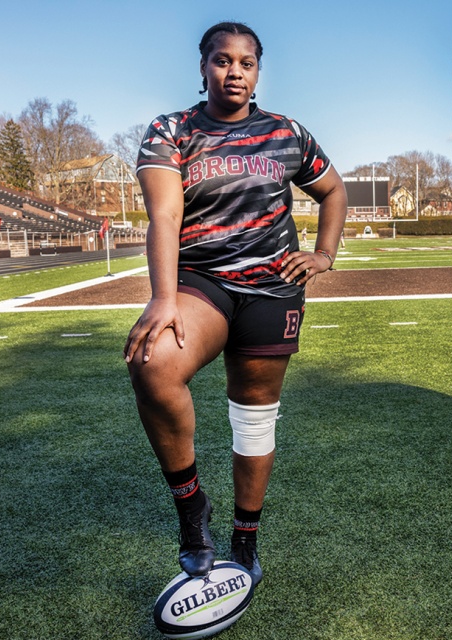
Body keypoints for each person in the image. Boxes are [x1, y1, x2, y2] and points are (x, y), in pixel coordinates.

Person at [126, 21, 347, 587]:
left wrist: (323, 255)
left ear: (258, 71)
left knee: (253, 417)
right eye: (222, 61)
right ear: (203, 67)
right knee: (153, 364)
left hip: (274, 289)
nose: (234, 71)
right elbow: (166, 215)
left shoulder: (287, 133)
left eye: (246, 63)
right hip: (204, 284)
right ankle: (192, 511)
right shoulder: (171, 130)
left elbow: (333, 190)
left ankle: (245, 538)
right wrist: (163, 298)